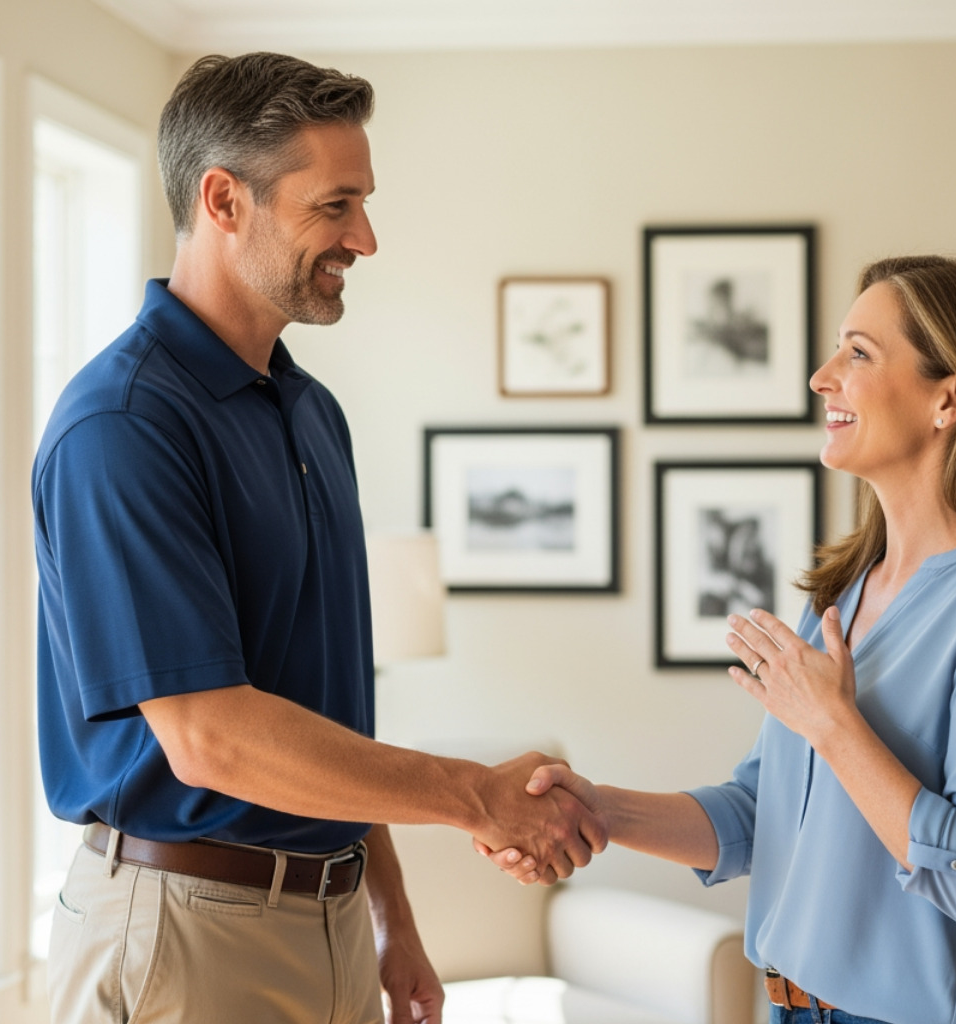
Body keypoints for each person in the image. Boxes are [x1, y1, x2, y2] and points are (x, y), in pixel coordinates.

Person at [33, 53, 604, 1024]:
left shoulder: (310, 413)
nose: (366, 238)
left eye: (363, 203)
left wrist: (390, 916)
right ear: (224, 200)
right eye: (335, 205)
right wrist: (478, 797)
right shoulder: (124, 425)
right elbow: (211, 737)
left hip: (330, 919)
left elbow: (324, 712)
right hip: (187, 932)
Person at [482, 255, 956, 1024]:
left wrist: (835, 725)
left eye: (859, 353)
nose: (821, 376)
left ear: (949, 399)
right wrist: (596, 810)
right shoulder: (847, 589)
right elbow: (758, 814)